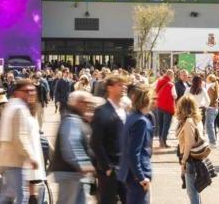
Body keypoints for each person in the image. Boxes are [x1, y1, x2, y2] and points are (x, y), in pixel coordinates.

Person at [0, 79, 41, 204]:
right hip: (14, 159)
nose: (30, 93)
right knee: (20, 196)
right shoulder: (19, 108)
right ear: (17, 92)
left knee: (9, 195)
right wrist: (31, 157)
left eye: (32, 90)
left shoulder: (12, 105)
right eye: (26, 91)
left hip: (9, 159)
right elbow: (19, 137)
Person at [52, 91, 100, 204]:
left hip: (76, 174)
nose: (90, 106)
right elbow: (71, 145)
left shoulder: (77, 119)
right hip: (69, 173)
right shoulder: (72, 121)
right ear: (79, 103)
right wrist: (83, 164)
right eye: (87, 103)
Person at [92, 74, 131, 204]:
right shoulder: (102, 111)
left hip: (125, 167)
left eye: (125, 85)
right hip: (110, 169)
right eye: (120, 85)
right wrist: (107, 167)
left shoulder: (125, 111)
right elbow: (96, 142)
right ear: (110, 88)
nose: (124, 87)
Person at [118, 83, 154, 204]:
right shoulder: (141, 121)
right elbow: (133, 152)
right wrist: (141, 177)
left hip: (130, 173)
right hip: (137, 176)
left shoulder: (132, 117)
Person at [176, 94, 207, 204]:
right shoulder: (196, 120)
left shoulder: (189, 122)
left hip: (190, 159)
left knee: (191, 191)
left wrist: (183, 161)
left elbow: (189, 143)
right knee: (195, 190)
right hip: (195, 158)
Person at [154, 69, 177, 148]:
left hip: (159, 105)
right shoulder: (171, 84)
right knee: (166, 124)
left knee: (160, 124)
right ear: (171, 76)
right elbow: (175, 96)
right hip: (167, 107)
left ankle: (160, 141)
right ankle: (163, 141)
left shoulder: (159, 81)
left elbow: (153, 89)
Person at [205, 74, 219, 148]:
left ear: (209, 79)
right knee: (211, 125)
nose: (206, 79)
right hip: (214, 108)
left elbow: (210, 100)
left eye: (207, 78)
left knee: (209, 126)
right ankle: (213, 141)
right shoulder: (214, 86)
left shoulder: (211, 87)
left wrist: (206, 105)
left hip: (211, 108)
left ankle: (213, 142)